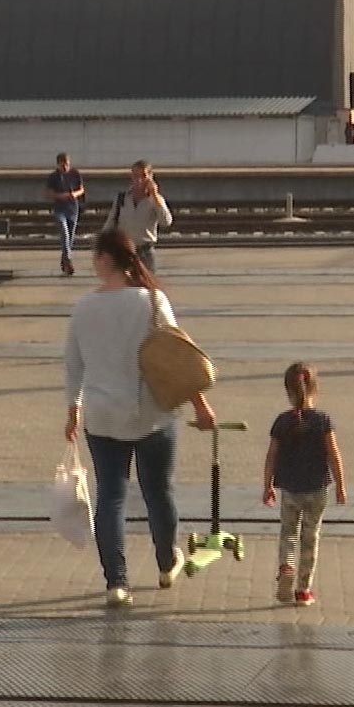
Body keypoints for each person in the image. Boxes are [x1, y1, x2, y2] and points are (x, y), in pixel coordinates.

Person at [64, 229, 217, 609]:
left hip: (101, 418)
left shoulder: (84, 308)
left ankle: (116, 583)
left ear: (105, 260)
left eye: (95, 254)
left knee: (111, 498)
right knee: (158, 493)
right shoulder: (152, 301)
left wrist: (73, 412)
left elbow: (73, 367)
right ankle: (167, 563)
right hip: (152, 414)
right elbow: (175, 357)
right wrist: (199, 404)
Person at [262, 362, 347, 607]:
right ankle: (303, 590)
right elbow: (333, 454)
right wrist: (341, 486)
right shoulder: (322, 421)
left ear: (288, 391)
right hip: (317, 489)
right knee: (310, 536)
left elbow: (271, 457)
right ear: (314, 389)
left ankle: (286, 566)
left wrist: (267, 485)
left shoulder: (282, 422)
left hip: (290, 489)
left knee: (288, 532)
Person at [101, 160, 172, 274]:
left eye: (143, 176)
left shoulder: (155, 200)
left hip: (145, 251)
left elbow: (166, 222)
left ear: (150, 177)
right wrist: (103, 245)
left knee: (146, 289)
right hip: (124, 251)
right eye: (135, 176)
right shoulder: (122, 198)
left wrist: (154, 195)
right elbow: (110, 223)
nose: (139, 180)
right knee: (124, 288)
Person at [45, 152, 86, 276]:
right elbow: (49, 193)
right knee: (64, 231)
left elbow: (81, 189)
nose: (65, 168)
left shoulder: (75, 174)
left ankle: (65, 259)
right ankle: (68, 259)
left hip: (72, 207)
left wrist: (75, 194)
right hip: (60, 208)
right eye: (62, 166)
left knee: (70, 235)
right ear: (58, 165)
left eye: (67, 165)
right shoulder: (53, 177)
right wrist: (60, 196)